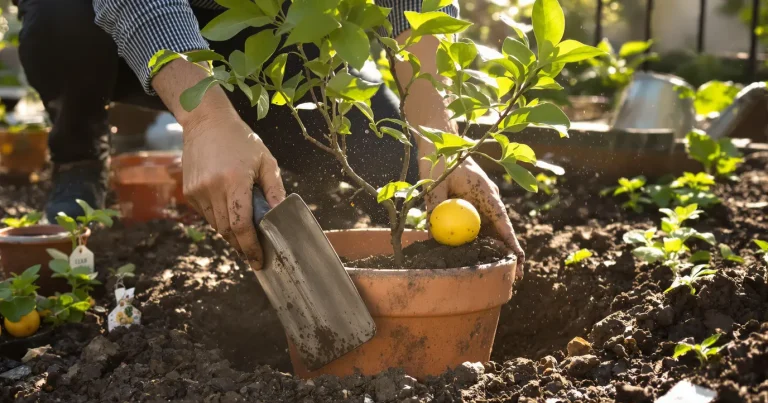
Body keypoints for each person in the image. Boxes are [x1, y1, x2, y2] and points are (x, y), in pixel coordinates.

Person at [17, 0, 525, 278]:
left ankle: (284, 150)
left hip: (281, 37)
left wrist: (435, 130)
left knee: (394, 162)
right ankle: (78, 154)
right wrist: (206, 120)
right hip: (122, 24)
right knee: (59, 14)